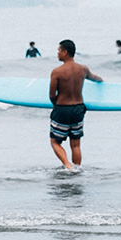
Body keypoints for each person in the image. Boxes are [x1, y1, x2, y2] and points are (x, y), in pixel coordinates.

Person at [49, 40, 102, 170]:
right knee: (76, 145)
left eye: (59, 50)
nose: (57, 53)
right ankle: (77, 169)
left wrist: (56, 106)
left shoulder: (57, 71)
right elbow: (95, 78)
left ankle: (68, 166)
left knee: (55, 141)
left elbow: (51, 95)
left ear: (65, 52)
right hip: (79, 109)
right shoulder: (82, 69)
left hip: (63, 109)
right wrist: (102, 82)